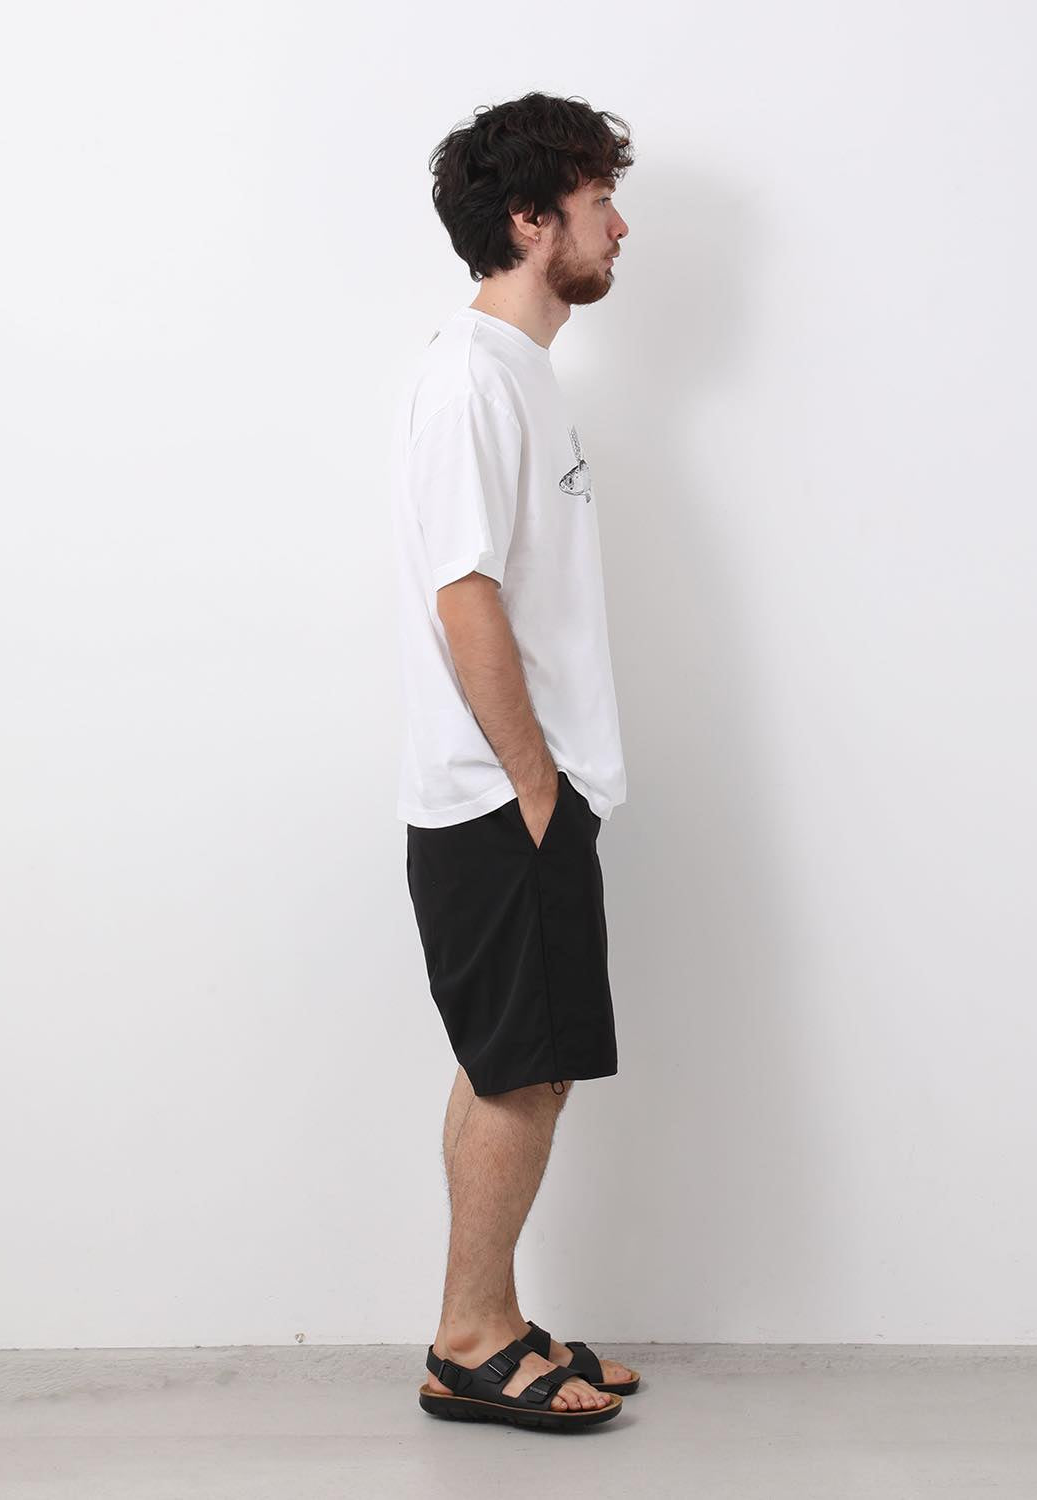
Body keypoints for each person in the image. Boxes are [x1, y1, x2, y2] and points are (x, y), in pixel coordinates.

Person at [389, 92, 640, 1432]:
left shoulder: (521, 376)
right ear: (533, 221)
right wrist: (535, 782)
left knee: (513, 1063)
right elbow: (464, 593)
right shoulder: (473, 379)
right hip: (502, 796)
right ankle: (472, 1341)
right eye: (599, 202)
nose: (619, 225)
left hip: (521, 793)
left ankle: (484, 1316)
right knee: (520, 1072)